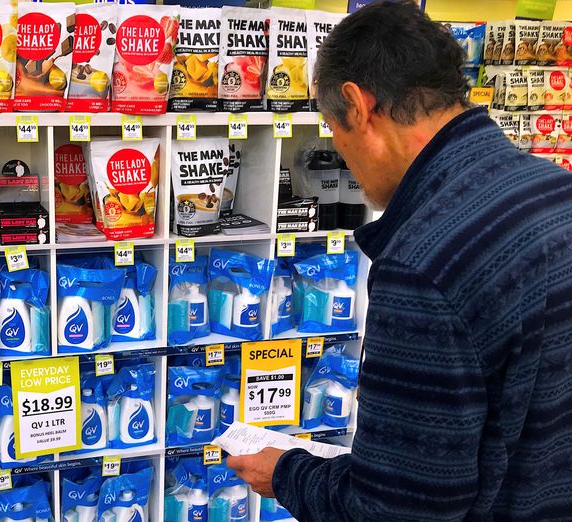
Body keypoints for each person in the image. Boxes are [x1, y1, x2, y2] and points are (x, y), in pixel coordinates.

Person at [227, 2, 572, 521]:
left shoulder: (425, 264)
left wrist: (286, 473)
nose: (342, 155)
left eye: (333, 131)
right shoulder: (554, 192)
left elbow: (395, 510)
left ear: (357, 104)